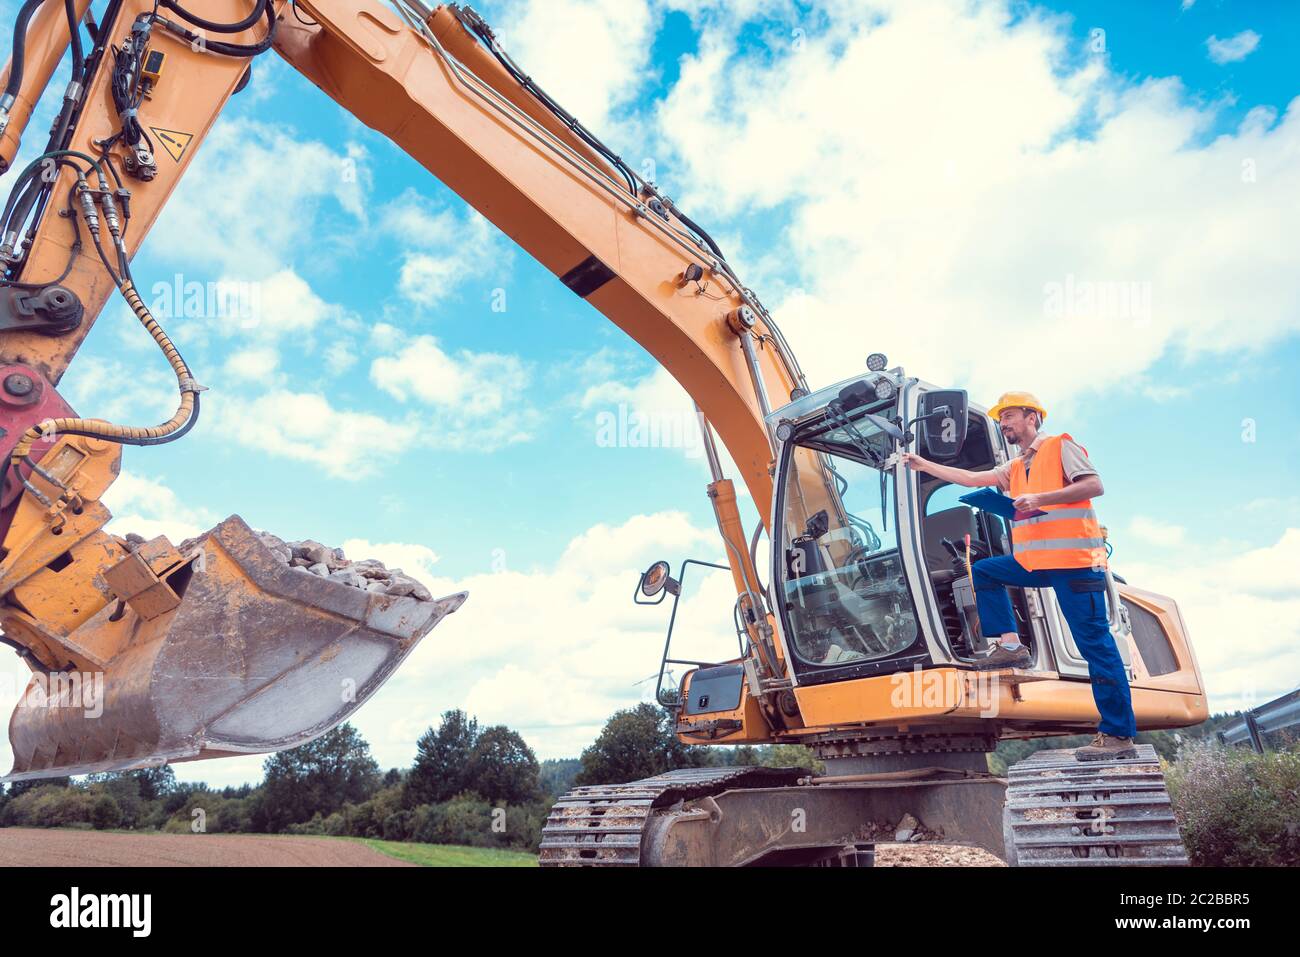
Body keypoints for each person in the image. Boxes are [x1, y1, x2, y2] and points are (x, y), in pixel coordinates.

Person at [900, 391, 1138, 760]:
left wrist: (1040, 500)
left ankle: (1118, 734)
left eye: (1008, 415)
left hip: (1075, 565)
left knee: (1096, 647)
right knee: (985, 571)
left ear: (1033, 417)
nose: (1003, 423)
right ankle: (1011, 645)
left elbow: (1094, 485)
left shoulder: (1061, 446)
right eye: (1001, 418)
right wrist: (922, 465)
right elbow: (969, 478)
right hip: (1038, 563)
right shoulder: (1015, 467)